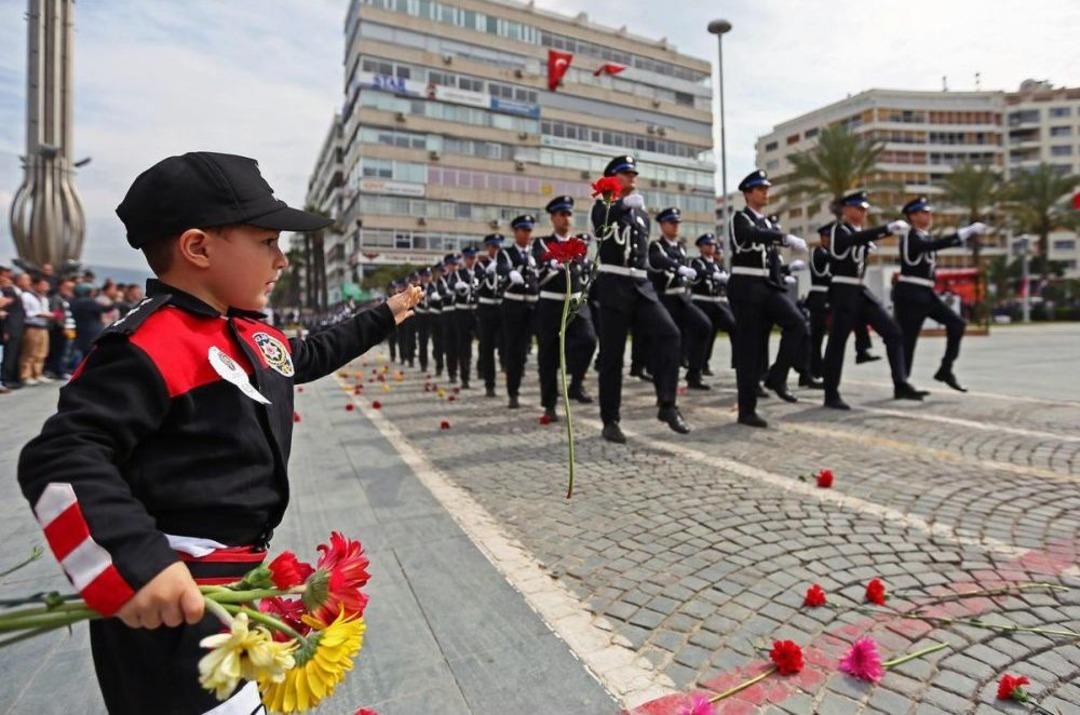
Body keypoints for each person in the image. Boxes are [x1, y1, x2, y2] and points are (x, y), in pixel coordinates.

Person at [17, 151, 421, 714]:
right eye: (267, 242)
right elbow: (62, 455)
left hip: (234, 594)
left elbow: (306, 356)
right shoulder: (145, 346)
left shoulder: (251, 333)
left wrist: (383, 316)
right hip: (171, 604)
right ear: (198, 248)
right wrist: (138, 564)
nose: (281, 259)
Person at [591, 155, 690, 442]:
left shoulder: (641, 215)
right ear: (611, 178)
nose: (632, 177)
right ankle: (610, 420)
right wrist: (621, 204)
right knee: (612, 356)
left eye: (634, 173)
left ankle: (667, 405)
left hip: (641, 285)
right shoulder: (602, 206)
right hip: (613, 284)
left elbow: (643, 254)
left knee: (669, 334)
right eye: (625, 173)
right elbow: (602, 224)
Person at [822, 190, 925, 409]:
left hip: (859, 290)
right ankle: (831, 394)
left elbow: (860, 241)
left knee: (893, 332)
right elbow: (850, 241)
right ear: (846, 210)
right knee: (837, 342)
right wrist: (885, 230)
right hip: (842, 290)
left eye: (865, 209)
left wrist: (875, 235)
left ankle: (900, 383)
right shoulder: (839, 231)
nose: (863, 212)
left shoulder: (861, 234)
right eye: (858, 208)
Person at [726, 169, 809, 428]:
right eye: (760, 189)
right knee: (750, 350)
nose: (765, 193)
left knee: (797, 324)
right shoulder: (740, 219)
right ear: (748, 193)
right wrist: (783, 238)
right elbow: (750, 235)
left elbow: (771, 260)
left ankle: (777, 376)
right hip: (746, 286)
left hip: (767, 286)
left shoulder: (768, 223)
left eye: (766, 189)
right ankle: (747, 410)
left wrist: (784, 274)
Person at [893, 196, 987, 392]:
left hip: (926, 292)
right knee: (908, 340)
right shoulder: (910, 236)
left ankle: (946, 369)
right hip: (910, 293)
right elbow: (932, 246)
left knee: (957, 324)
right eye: (924, 212)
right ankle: (902, 384)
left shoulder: (925, 236)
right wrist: (964, 233)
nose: (929, 216)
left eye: (929, 212)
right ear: (912, 216)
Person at [533, 196, 597, 421]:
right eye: (561, 214)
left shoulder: (579, 244)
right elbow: (540, 264)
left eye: (569, 214)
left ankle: (576, 384)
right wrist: (553, 262)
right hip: (551, 304)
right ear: (552, 218)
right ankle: (549, 404)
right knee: (548, 355)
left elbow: (584, 268)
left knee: (588, 340)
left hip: (575, 303)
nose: (566, 218)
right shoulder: (542, 243)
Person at [647, 207, 713, 390]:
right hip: (665, 299)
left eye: (677, 222)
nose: (675, 226)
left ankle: (694, 375)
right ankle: (661, 376)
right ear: (662, 225)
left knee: (704, 326)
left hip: (682, 297)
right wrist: (679, 268)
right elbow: (658, 259)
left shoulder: (681, 248)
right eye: (671, 222)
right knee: (666, 339)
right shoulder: (657, 246)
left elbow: (692, 272)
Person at [497, 215, 539, 409]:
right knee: (515, 350)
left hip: (534, 305)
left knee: (542, 345)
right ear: (515, 232)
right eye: (523, 230)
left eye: (529, 230)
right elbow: (502, 267)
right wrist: (509, 272)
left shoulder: (535, 252)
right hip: (513, 306)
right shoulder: (506, 253)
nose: (527, 234)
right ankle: (513, 392)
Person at [689, 233, 736, 378]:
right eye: (708, 244)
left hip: (719, 304)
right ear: (700, 247)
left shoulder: (718, 266)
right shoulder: (697, 262)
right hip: (703, 302)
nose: (711, 247)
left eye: (713, 245)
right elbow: (698, 272)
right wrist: (713, 275)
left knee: (734, 326)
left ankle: (738, 362)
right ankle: (701, 365)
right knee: (706, 335)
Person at [475, 234, 505, 397]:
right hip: (486, 309)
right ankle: (489, 384)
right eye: (493, 246)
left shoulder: (504, 263)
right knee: (487, 347)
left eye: (498, 246)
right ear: (487, 248)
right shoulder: (481, 265)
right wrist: (487, 272)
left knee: (505, 343)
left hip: (501, 308)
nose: (496, 249)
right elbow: (477, 285)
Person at [451, 246, 480, 389]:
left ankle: (482, 370)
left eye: (473, 257)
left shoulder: (480, 272)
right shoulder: (457, 274)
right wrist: (456, 286)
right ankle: (465, 377)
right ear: (464, 258)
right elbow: (451, 286)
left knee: (484, 343)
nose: (471, 260)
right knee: (464, 346)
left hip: (477, 312)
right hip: (462, 313)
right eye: (469, 257)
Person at [19, 273, 54, 385]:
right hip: (32, 326)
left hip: (43, 326)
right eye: (43, 285)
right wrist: (41, 314)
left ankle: (37, 373)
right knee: (30, 352)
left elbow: (46, 310)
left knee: (42, 352)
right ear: (35, 285)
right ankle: (25, 375)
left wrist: (50, 315)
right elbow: (26, 312)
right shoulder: (26, 296)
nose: (46, 288)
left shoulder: (44, 298)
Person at [436, 254, 461, 382]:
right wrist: (455, 291)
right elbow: (442, 292)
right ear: (447, 265)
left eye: (456, 264)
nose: (454, 266)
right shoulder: (442, 280)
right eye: (452, 264)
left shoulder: (462, 276)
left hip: (460, 313)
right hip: (447, 314)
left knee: (460, 344)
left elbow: (474, 285)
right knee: (450, 345)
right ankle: (452, 373)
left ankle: (462, 372)